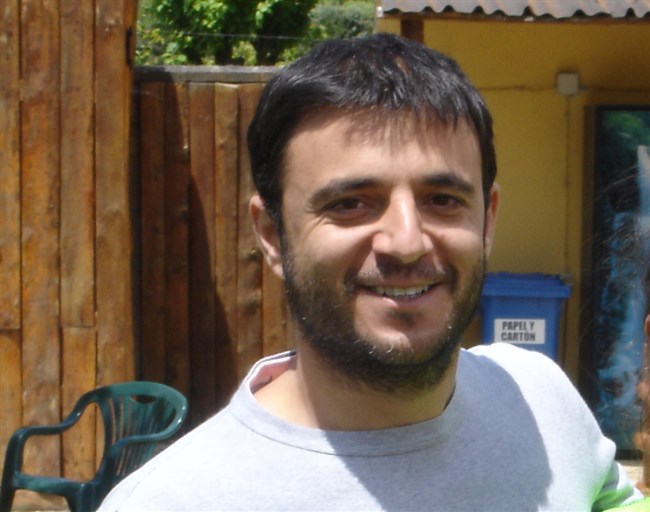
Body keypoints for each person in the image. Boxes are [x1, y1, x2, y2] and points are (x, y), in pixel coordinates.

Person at [99, 33, 643, 511]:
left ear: (488, 219)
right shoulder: (173, 501)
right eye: (350, 204)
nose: (406, 243)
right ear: (272, 235)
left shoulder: (543, 400)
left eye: (442, 199)